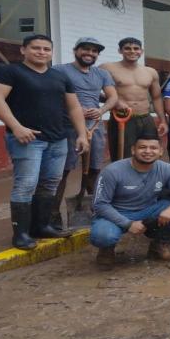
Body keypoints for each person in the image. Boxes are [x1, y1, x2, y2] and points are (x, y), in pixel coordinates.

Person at [0, 34, 90, 251]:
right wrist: (17, 127)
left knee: (50, 183)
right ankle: (21, 234)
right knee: (26, 185)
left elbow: (73, 107)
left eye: (46, 49)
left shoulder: (59, 77)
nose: (41, 52)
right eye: (36, 48)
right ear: (23, 50)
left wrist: (82, 134)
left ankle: (41, 226)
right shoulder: (10, 72)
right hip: (28, 139)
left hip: (58, 139)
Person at [89, 130, 170, 267]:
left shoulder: (168, 169)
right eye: (142, 147)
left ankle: (160, 242)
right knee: (102, 236)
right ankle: (106, 249)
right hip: (116, 213)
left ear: (160, 151)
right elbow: (99, 204)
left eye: (153, 148)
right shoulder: (112, 171)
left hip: (148, 211)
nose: (148, 151)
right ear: (133, 150)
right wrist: (128, 224)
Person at [50, 37, 118, 230]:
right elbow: (52, 94)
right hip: (67, 127)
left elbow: (113, 97)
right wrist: (75, 109)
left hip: (94, 126)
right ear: (75, 50)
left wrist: (101, 110)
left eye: (94, 51)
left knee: (95, 171)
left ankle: (96, 210)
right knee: (62, 171)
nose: (89, 53)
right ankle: (53, 215)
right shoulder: (60, 70)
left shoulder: (102, 74)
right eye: (85, 49)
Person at [100, 38, 167, 160]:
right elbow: (93, 91)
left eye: (136, 48)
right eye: (127, 48)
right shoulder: (107, 68)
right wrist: (115, 102)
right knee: (123, 157)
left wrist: (162, 120)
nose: (132, 51)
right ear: (120, 51)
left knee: (150, 153)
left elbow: (157, 98)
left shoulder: (150, 72)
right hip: (122, 118)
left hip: (146, 118)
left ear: (141, 51)